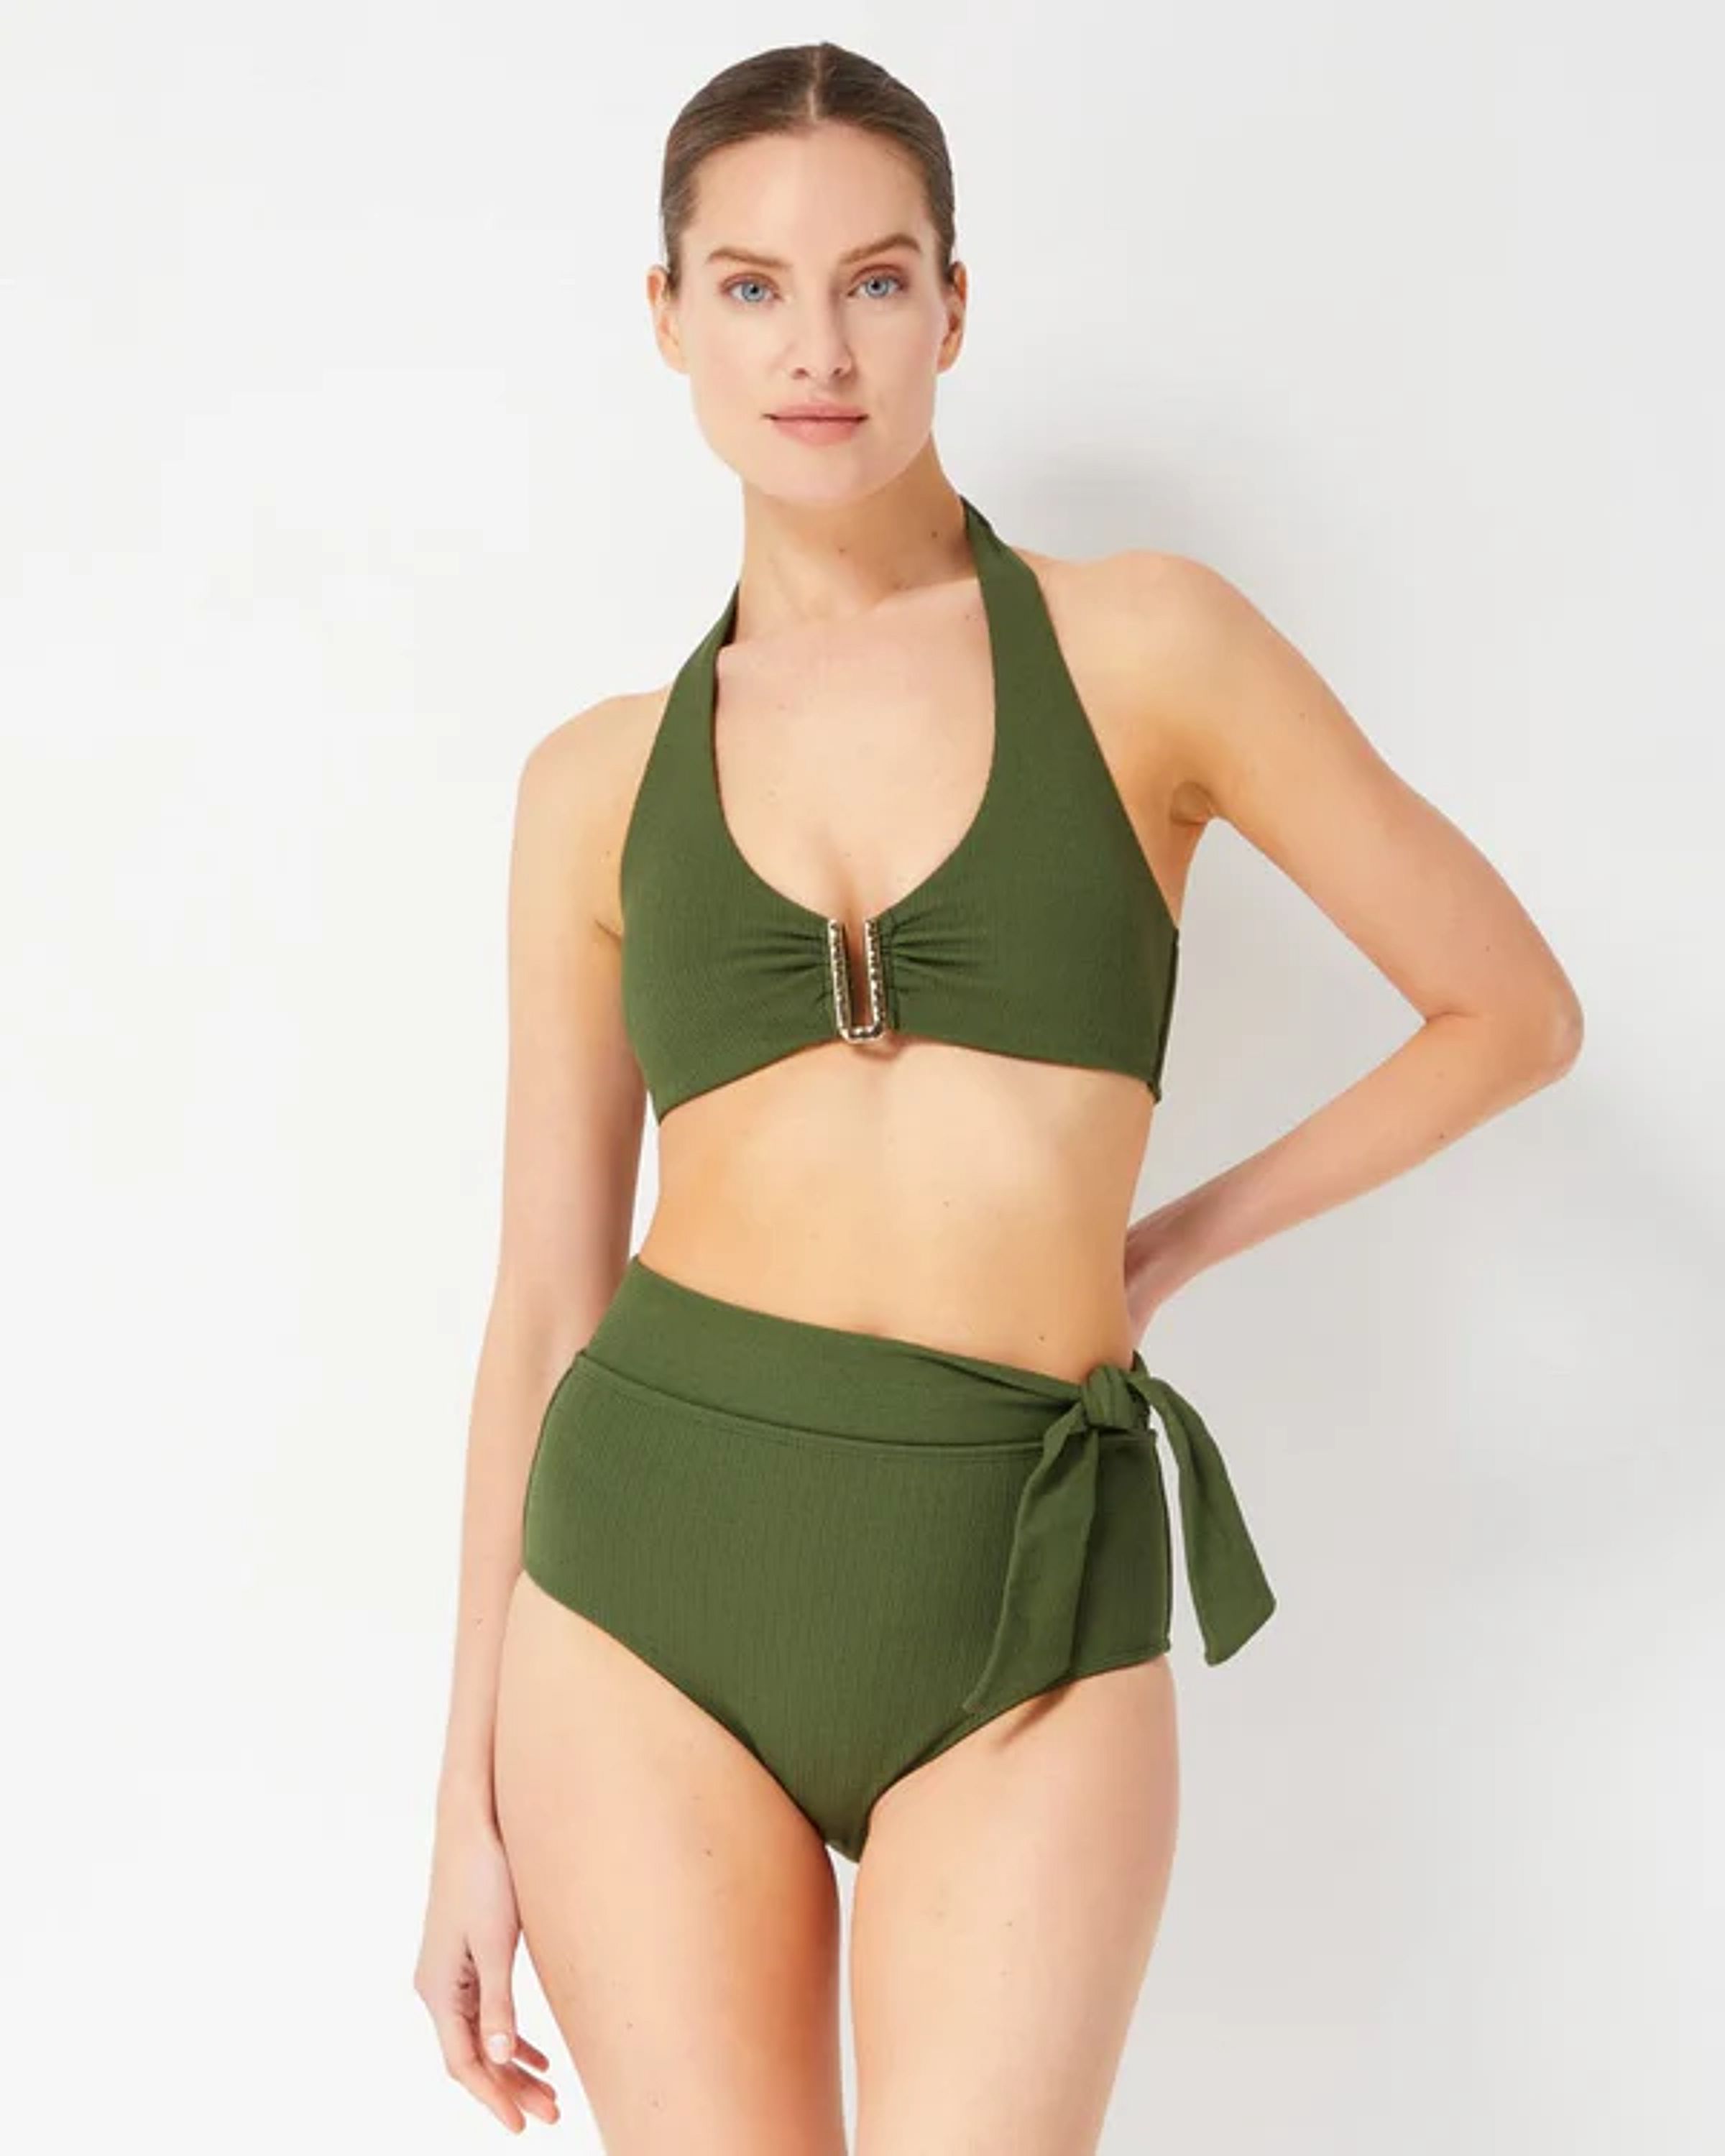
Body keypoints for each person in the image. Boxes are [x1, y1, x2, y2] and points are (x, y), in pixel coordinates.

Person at [413, 38, 1583, 2154]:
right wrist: (458, 1815)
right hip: (643, 1584)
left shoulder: (1148, 652)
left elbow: (1508, 1010)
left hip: (1026, 1584)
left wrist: (1169, 1246)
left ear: (954, 307)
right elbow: (543, 1307)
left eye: (875, 280)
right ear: (666, 317)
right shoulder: (590, 785)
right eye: (751, 287)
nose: (818, 348)